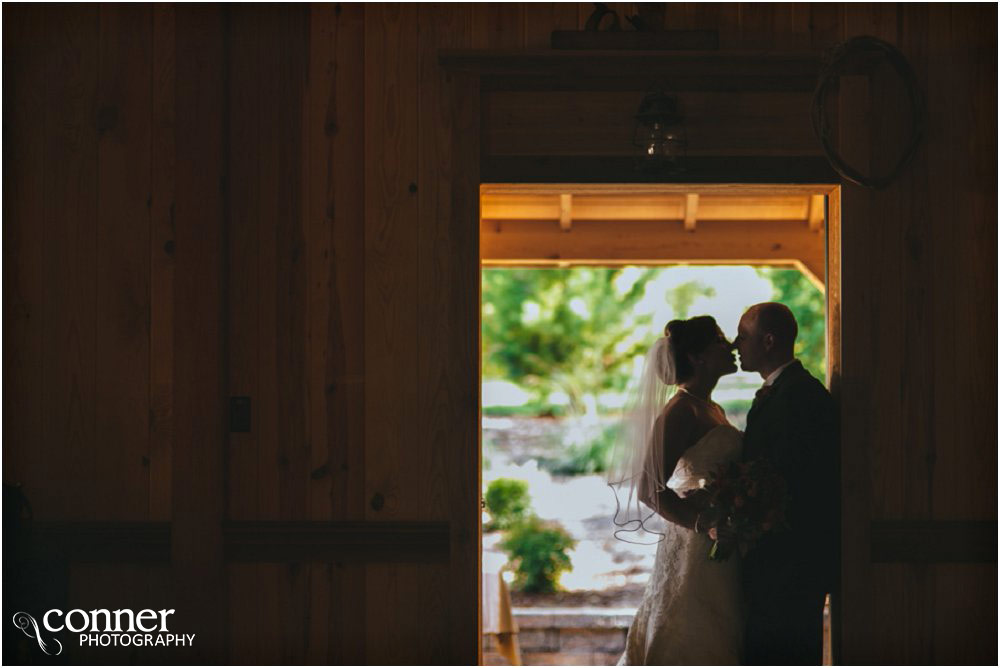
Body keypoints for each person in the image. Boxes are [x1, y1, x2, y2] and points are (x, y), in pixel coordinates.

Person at [608, 315, 744, 665]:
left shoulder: (710, 407)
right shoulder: (680, 410)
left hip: (719, 536)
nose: (730, 345)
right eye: (719, 340)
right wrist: (703, 524)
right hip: (696, 543)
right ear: (698, 357)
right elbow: (648, 489)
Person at [733, 302, 839, 665]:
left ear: (768, 341)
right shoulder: (781, 391)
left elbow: (803, 481)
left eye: (742, 337)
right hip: (774, 565)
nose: (736, 345)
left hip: (792, 565)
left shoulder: (802, 396)